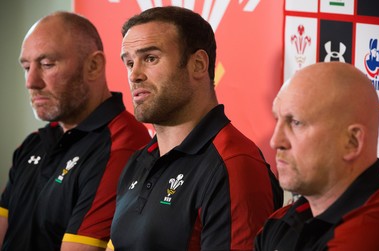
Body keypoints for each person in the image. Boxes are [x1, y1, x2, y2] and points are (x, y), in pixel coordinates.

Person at [106, 6, 283, 251]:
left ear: (198, 64)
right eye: (128, 62)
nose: (134, 75)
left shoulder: (234, 164)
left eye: (150, 58)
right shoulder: (139, 160)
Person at [0, 11, 151, 251]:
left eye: (47, 64)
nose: (31, 81)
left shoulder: (123, 143)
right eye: (26, 67)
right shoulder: (34, 143)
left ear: (93, 65)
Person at [254, 62, 379, 250]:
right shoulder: (279, 224)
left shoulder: (376, 233)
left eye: (296, 122)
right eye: (277, 120)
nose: (275, 141)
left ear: (352, 142)